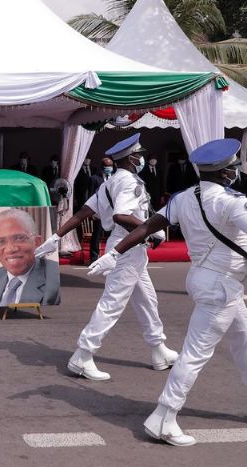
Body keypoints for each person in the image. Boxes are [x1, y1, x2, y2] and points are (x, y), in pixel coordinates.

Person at [89, 138, 247, 447]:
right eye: (234, 167)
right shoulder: (232, 202)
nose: (235, 172)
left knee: (244, 339)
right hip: (221, 286)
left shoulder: (183, 198)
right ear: (227, 173)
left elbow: (147, 227)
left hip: (205, 279)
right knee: (195, 354)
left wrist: (114, 253)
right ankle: (164, 415)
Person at [36, 133, 178, 381]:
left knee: (147, 300)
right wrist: (152, 230)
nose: (142, 159)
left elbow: (83, 213)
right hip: (127, 247)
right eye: (139, 155)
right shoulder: (128, 182)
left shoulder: (109, 183)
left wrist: (56, 237)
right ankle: (83, 355)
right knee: (112, 304)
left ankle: (158, 349)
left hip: (129, 247)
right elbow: (121, 216)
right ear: (132, 158)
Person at [0, 209, 60, 306]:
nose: (10, 249)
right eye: (1, 241)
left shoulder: (55, 283)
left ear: (37, 242)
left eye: (19, 238)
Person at [87, 157, 113, 263]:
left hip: (113, 211)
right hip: (100, 211)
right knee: (96, 234)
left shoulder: (115, 178)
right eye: (106, 166)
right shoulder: (94, 179)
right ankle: (94, 257)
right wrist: (92, 211)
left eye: (110, 166)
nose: (109, 168)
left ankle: (112, 256)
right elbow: (91, 195)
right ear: (102, 167)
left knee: (114, 234)